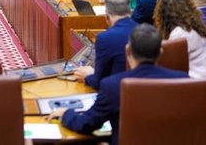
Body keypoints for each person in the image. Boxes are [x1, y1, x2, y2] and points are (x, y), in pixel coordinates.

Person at [50, 24, 188, 145]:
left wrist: (66, 113)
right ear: (160, 52)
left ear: (128, 51)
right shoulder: (184, 81)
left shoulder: (113, 85)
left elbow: (86, 124)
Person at [154, 0, 206, 78]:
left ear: (164, 14)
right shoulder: (195, 26)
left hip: (202, 83)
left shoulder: (179, 33)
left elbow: (169, 64)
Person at [74, 0, 137, 89]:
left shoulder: (105, 38)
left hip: (116, 93)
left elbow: (99, 81)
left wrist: (88, 76)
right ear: (130, 11)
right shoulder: (145, 31)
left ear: (106, 16)